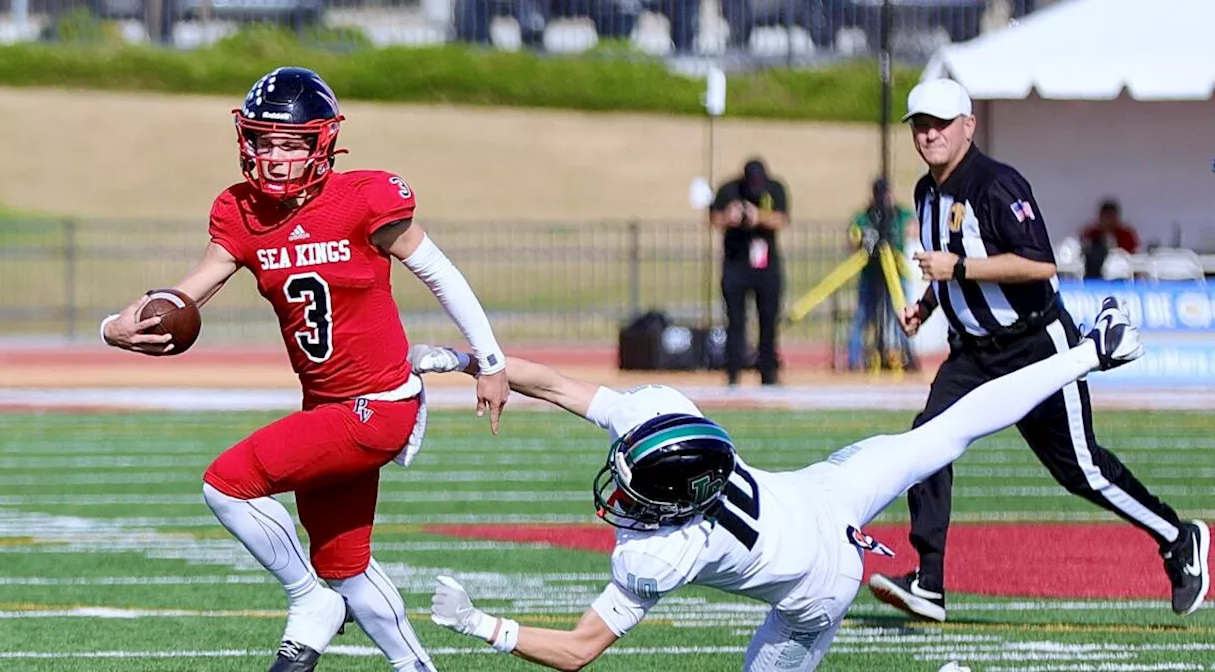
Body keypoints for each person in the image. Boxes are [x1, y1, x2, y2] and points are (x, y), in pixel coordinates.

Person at [405, 298, 1175, 672]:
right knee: (943, 435)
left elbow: (578, 652)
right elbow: (567, 390)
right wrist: (479, 364)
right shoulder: (668, 419)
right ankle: (1090, 352)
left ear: (673, 500)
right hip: (823, 495)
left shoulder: (656, 556)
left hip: (820, 582)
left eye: (638, 489)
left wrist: (483, 626)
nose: (622, 492)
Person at [99, 66, 510, 672]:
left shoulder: (363, 198)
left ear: (322, 143)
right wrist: (113, 326)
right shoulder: (240, 212)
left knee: (227, 481)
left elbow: (441, 273)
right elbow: (188, 295)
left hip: (376, 405)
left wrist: (491, 360)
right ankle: (413, 666)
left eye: (290, 143)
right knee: (345, 563)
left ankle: (308, 603)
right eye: (264, 141)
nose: (274, 156)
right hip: (326, 405)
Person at [867, 78, 1208, 624]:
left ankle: (1177, 536)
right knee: (925, 444)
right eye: (920, 126)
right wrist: (930, 303)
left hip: (1035, 346)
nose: (929, 135)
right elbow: (950, 258)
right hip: (973, 354)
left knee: (1082, 471)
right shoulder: (926, 192)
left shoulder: (997, 184)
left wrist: (957, 271)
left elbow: (1039, 263)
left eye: (940, 123)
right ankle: (928, 581)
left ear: (967, 126)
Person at [709, 159, 790, 386]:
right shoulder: (729, 189)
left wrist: (759, 216)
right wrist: (729, 217)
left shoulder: (774, 189)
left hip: (766, 265)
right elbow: (713, 218)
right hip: (737, 263)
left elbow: (782, 219)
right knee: (735, 321)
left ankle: (768, 372)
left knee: (768, 319)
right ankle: (733, 371)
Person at [846, 177, 920, 370]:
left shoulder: (900, 215)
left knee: (902, 316)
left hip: (895, 274)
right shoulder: (865, 218)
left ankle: (907, 355)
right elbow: (852, 241)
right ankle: (854, 360)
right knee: (863, 316)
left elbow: (913, 228)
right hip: (871, 274)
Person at [1079, 199, 1141, 279]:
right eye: (1106, 217)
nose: (1108, 221)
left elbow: (1134, 254)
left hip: (1121, 275)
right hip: (1094, 275)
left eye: (1111, 216)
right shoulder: (1091, 233)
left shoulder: (1126, 234)